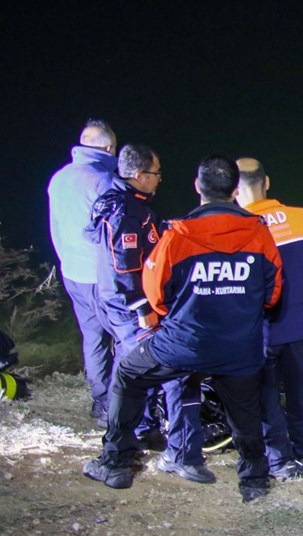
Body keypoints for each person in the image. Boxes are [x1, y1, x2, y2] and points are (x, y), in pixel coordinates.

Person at [83, 155, 283, 503]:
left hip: (183, 344)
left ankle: (115, 463)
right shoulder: (259, 234)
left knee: (129, 374)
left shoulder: (176, 235)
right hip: (239, 347)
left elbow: (155, 294)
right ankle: (254, 481)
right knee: (246, 411)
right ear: (235, 191)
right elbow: (272, 294)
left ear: (197, 187)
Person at [85, 144, 207, 479]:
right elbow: (124, 268)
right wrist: (142, 309)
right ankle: (128, 454)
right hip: (131, 309)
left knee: (135, 371)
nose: (159, 180)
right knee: (158, 370)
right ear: (138, 175)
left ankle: (143, 432)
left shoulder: (129, 205)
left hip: (123, 305)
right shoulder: (125, 212)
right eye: (156, 173)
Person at [236, 157, 303, 480]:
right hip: (297, 329)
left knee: (265, 398)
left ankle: (280, 461)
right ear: (267, 182)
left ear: (235, 190)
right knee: (300, 395)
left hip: (256, 334)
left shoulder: (237, 228)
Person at [47, 119, 118, 424]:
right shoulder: (104, 181)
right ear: (108, 147)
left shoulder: (59, 179)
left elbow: (57, 227)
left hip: (72, 272)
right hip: (103, 276)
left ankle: (99, 401)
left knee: (93, 338)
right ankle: (117, 405)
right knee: (124, 338)